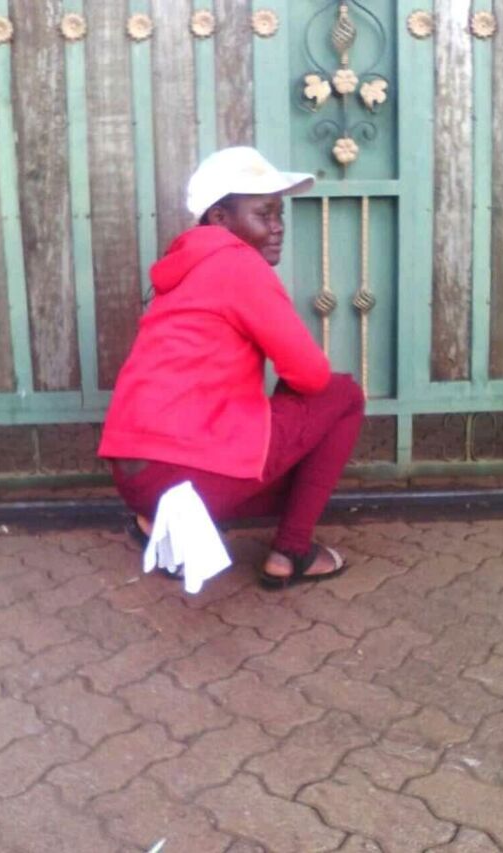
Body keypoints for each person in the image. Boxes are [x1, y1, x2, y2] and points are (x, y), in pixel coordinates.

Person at [98, 146, 364, 588]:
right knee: (342, 394)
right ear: (220, 218)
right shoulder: (238, 264)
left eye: (279, 213)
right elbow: (312, 375)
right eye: (264, 213)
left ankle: (161, 523)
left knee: (285, 423)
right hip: (184, 474)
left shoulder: (184, 270)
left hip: (134, 480)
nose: (277, 226)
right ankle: (291, 552)